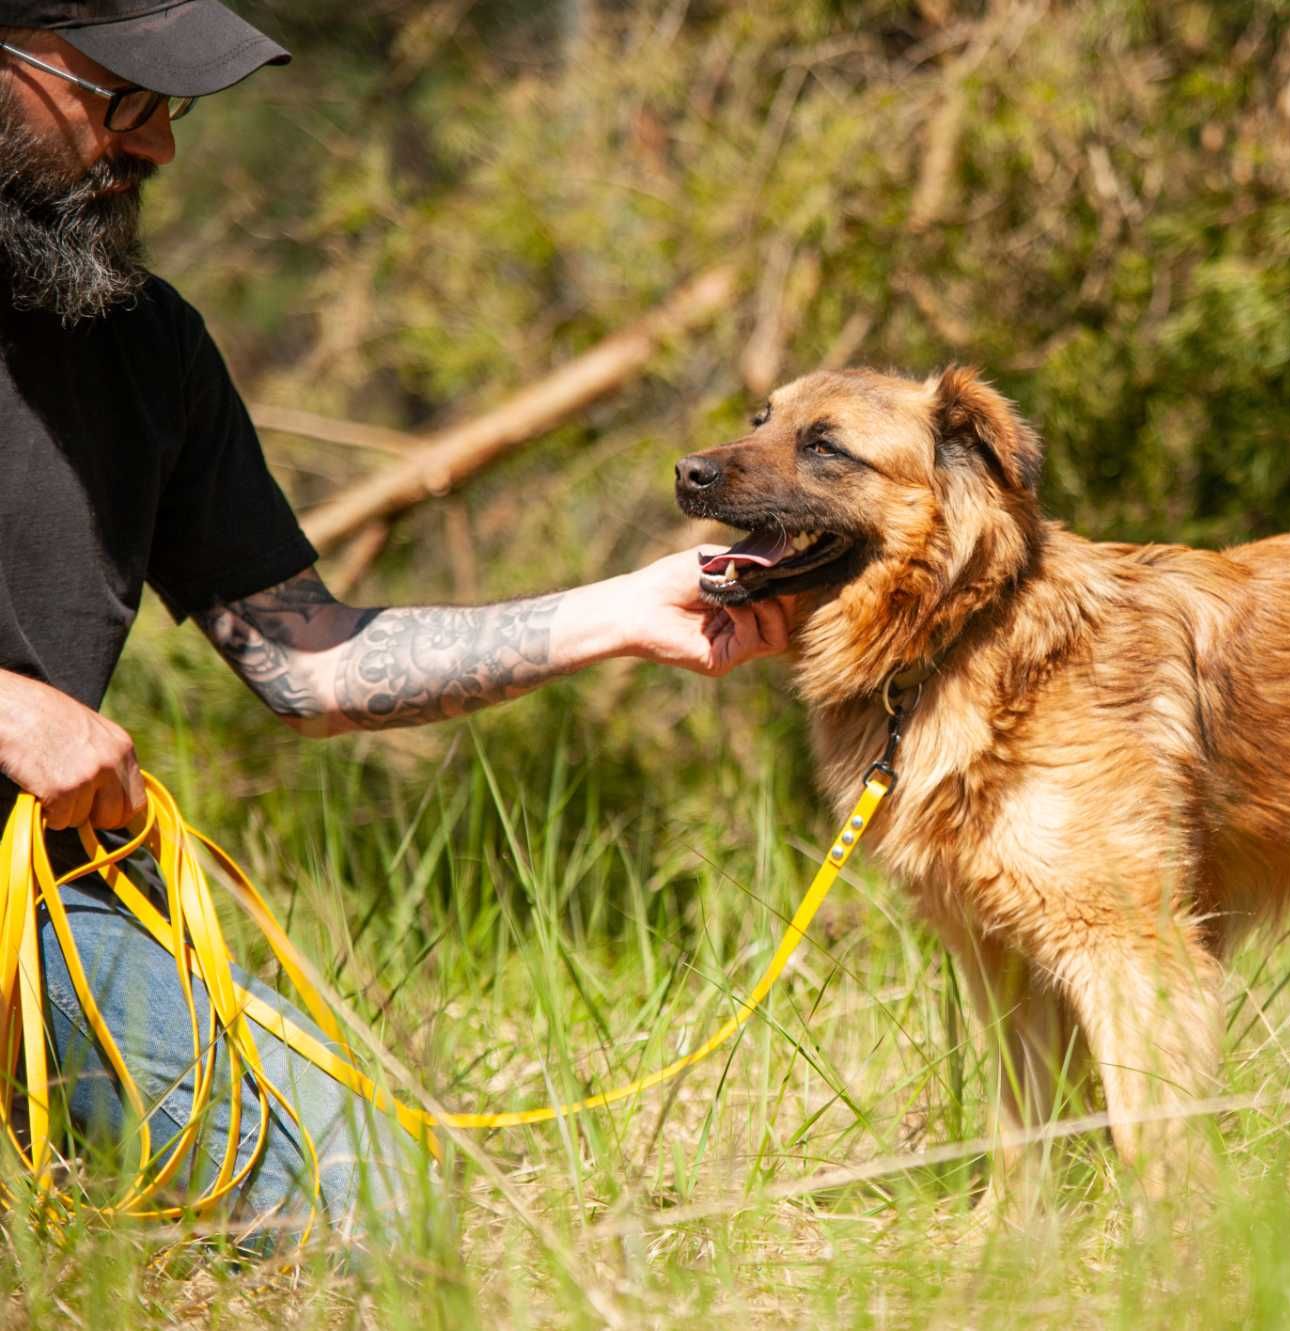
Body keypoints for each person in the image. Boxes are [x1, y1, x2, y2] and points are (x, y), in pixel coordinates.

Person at [0, 1, 791, 1247]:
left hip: (45, 915)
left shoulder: (145, 347)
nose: (157, 150)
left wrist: (621, 612)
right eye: (122, 101)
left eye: (169, 109)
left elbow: (307, 663)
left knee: (384, 1196)